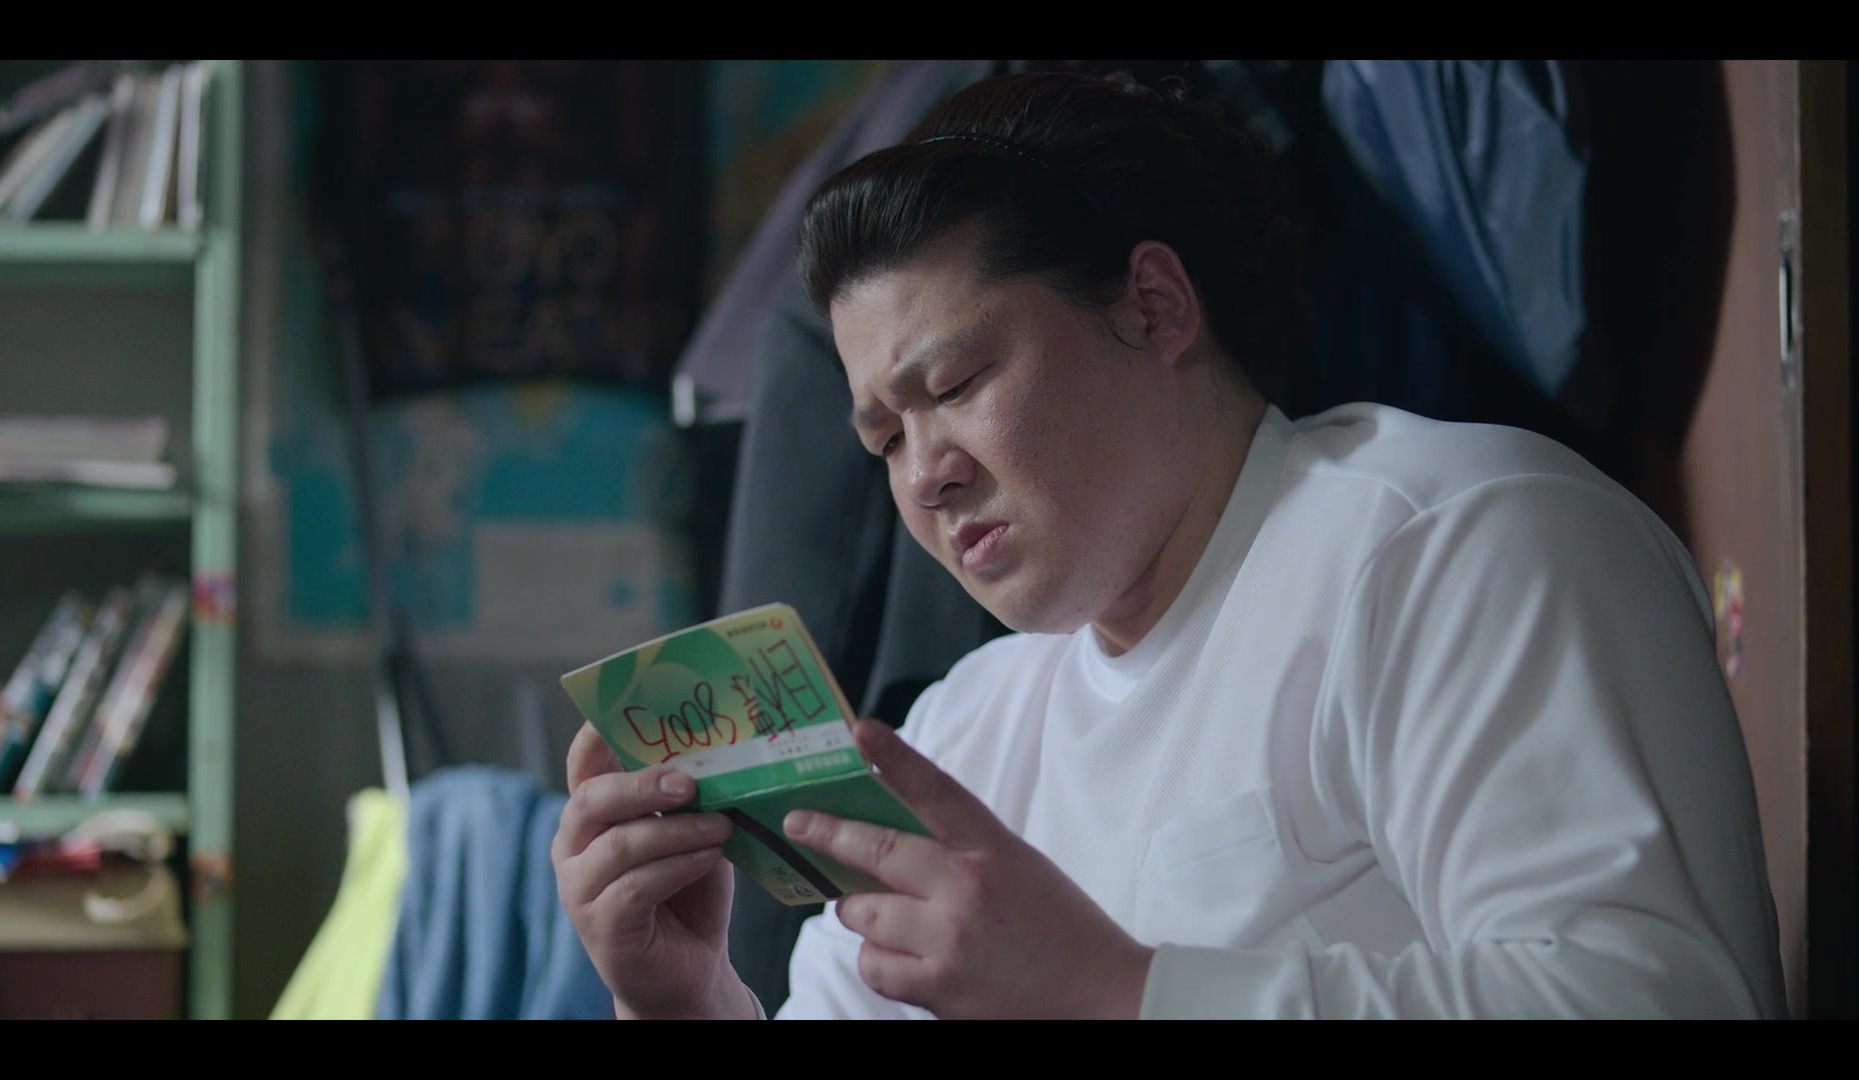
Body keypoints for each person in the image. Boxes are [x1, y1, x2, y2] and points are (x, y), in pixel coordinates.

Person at [551, 70, 1787, 1020]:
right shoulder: (968, 727)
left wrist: (1119, 989)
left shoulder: (1459, 547)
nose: (925, 474)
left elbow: (1659, 999)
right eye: (883, 437)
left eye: (959, 385)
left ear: (1154, 305)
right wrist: (690, 1000)